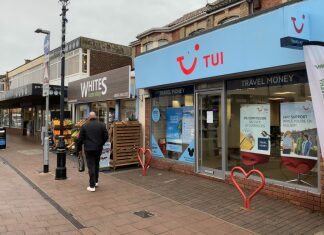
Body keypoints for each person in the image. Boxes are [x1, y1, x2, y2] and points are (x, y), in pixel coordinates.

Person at [78, 112, 108, 192]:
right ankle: (96, 181)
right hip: (98, 148)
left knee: (91, 166)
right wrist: (101, 143)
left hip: (89, 149)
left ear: (89, 117)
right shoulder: (102, 125)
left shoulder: (84, 126)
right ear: (96, 117)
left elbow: (80, 139)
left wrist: (79, 149)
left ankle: (92, 186)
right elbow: (106, 136)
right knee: (96, 164)